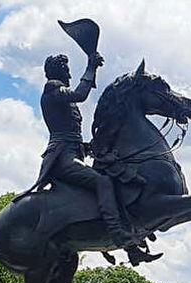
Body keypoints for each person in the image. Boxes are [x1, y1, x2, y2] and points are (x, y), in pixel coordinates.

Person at [18, 51, 158, 265]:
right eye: (66, 70)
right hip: (62, 158)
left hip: (74, 153)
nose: (69, 74)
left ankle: (131, 246)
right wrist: (91, 67)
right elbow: (81, 94)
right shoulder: (53, 88)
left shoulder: (59, 95)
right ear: (57, 72)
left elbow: (72, 134)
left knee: (112, 177)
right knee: (102, 181)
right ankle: (117, 232)